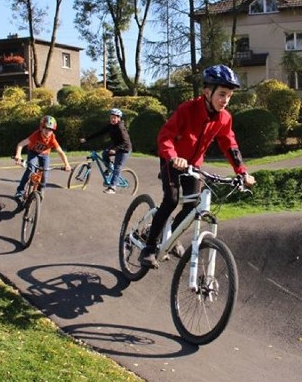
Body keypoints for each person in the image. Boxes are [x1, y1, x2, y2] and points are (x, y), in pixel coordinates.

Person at [140, 64, 256, 268]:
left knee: (193, 204)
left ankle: (171, 238)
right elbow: (164, 136)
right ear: (207, 92)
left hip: (194, 165)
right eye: (221, 94)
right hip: (172, 160)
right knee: (171, 199)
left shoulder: (224, 118)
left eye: (229, 96)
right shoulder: (188, 109)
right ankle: (149, 248)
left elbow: (229, 144)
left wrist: (242, 172)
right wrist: (174, 157)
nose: (225, 100)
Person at [13, 115, 71, 200]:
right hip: (33, 153)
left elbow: (61, 152)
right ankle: (20, 191)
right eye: (46, 128)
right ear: (41, 128)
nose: (48, 132)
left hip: (45, 155)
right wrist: (18, 155)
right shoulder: (36, 135)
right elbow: (21, 144)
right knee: (30, 170)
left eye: (51, 130)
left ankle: (40, 190)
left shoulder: (52, 138)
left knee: (44, 175)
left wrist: (67, 164)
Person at [79, 108, 132, 194]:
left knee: (117, 167)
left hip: (124, 149)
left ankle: (113, 187)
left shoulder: (120, 127)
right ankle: (109, 168)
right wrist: (86, 139)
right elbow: (99, 133)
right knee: (104, 154)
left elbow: (125, 142)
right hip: (116, 146)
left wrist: (115, 150)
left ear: (119, 118)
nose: (113, 119)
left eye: (115, 118)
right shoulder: (110, 126)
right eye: (111, 117)